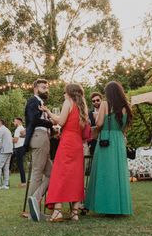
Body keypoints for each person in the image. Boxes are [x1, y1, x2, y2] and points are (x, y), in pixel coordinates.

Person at [41, 84, 91, 222]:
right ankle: (74, 213)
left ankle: (57, 211)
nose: (63, 94)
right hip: (77, 143)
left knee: (60, 173)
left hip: (67, 141)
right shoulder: (83, 106)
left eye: (64, 92)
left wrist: (48, 112)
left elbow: (61, 122)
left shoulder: (68, 102)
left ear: (69, 93)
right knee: (75, 175)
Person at [85, 81, 133, 216]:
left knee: (105, 173)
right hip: (118, 140)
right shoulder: (126, 107)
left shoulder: (105, 104)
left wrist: (97, 119)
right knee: (118, 173)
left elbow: (99, 123)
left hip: (106, 140)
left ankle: (106, 206)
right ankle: (118, 207)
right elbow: (123, 128)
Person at [24, 79, 54, 221]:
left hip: (44, 138)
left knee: (52, 174)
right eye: (43, 87)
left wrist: (52, 130)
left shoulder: (41, 104)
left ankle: (35, 200)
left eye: (47, 87)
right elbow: (33, 120)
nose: (46, 89)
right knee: (37, 174)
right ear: (36, 88)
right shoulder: (32, 101)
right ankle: (32, 212)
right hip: (39, 137)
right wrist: (50, 123)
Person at [12, 118, 26, 187]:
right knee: (20, 165)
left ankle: (23, 182)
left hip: (19, 148)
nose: (13, 122)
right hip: (21, 148)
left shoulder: (18, 129)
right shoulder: (22, 128)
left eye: (14, 121)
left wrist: (8, 138)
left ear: (18, 121)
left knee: (20, 165)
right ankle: (23, 182)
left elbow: (15, 140)